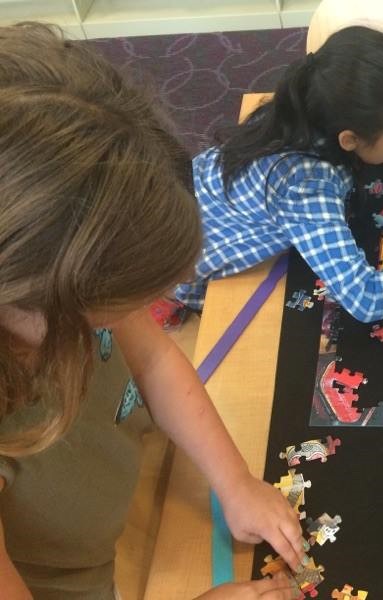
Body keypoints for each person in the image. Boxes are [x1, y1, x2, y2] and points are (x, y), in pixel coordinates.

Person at [0, 23, 304, 600]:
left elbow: (156, 357)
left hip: (127, 475)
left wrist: (234, 482)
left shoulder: (50, 282)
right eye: (119, 305)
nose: (150, 311)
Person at [175, 26, 383, 322]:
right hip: (189, 265)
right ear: (349, 139)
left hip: (192, 190)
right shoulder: (306, 189)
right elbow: (365, 298)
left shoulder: (313, 104)